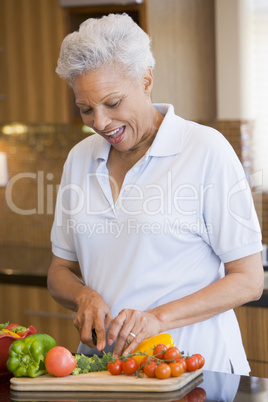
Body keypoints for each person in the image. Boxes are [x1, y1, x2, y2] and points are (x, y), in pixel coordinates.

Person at [48, 13, 264, 375]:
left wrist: (157, 318)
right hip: (106, 369)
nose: (99, 122)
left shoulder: (205, 150)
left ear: (146, 81)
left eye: (113, 103)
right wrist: (82, 295)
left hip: (194, 368)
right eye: (86, 109)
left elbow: (248, 279)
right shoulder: (79, 160)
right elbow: (60, 270)